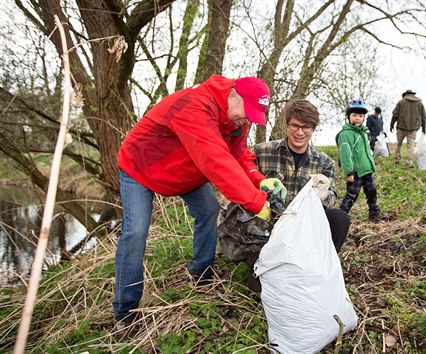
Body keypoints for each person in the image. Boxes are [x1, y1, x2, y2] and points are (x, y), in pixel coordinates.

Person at [114, 75, 286, 329]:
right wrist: (255, 202)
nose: (247, 120)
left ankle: (200, 275)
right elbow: (215, 159)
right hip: (141, 166)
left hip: (185, 171)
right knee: (136, 231)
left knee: (209, 211)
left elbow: (237, 154)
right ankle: (125, 312)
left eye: (252, 116)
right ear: (233, 95)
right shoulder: (194, 105)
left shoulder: (237, 119)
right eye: (246, 112)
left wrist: (258, 180)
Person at [246, 99, 351, 292]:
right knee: (258, 287)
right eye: (295, 125)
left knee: (339, 218)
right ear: (287, 124)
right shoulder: (263, 151)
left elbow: (333, 197)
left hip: (304, 230)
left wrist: (323, 195)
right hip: (268, 230)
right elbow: (244, 183)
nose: (300, 132)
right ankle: (263, 266)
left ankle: (318, 269)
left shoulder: (324, 162)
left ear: (313, 129)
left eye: (307, 127)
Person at [338, 99, 381, 220]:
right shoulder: (346, 134)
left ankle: (374, 213)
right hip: (356, 172)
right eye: (354, 115)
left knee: (372, 192)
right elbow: (345, 154)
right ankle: (341, 216)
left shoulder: (363, 133)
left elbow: (367, 152)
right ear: (348, 116)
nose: (358, 118)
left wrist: (371, 167)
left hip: (367, 170)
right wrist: (349, 171)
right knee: (352, 195)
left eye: (361, 116)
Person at [390, 89, 426, 167]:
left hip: (401, 127)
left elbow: (395, 114)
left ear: (405, 94)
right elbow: (424, 117)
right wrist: (424, 128)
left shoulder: (401, 102)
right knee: (411, 147)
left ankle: (397, 160)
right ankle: (409, 163)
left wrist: (391, 124)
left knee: (399, 144)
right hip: (413, 129)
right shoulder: (420, 103)